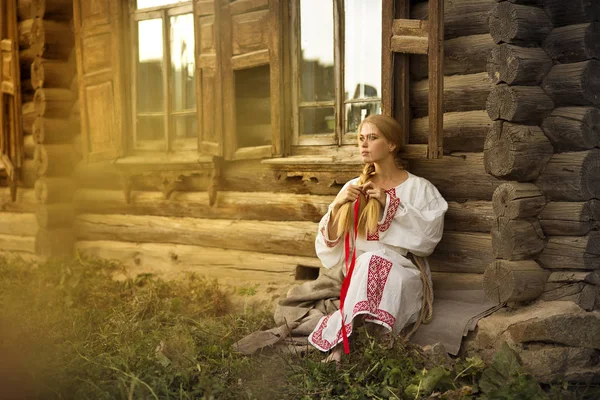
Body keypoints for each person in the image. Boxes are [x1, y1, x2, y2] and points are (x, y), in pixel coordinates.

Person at [308, 114, 448, 363]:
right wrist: (338, 206)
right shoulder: (353, 187)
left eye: (372, 138)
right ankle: (348, 348)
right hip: (360, 274)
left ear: (392, 144)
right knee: (369, 260)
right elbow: (329, 250)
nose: (364, 144)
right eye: (361, 138)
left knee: (376, 259)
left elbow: (429, 237)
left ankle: (354, 347)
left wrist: (389, 203)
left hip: (404, 273)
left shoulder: (419, 188)